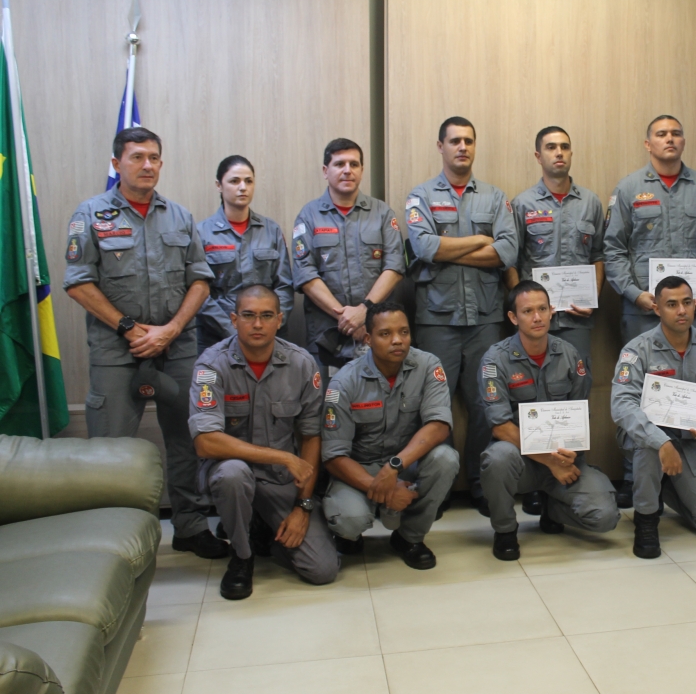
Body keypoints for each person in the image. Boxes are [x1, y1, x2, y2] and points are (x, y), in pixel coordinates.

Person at [64, 127, 225, 559]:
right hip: (118, 351)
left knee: (188, 440)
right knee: (111, 449)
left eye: (154, 157)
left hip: (177, 347)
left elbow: (201, 279)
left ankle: (190, 526)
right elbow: (78, 283)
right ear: (117, 164)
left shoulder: (179, 216)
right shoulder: (92, 215)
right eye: (137, 157)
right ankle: (109, 538)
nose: (148, 165)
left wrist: (171, 330)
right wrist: (131, 330)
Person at [603, 115, 696, 507]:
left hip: (693, 313)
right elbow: (613, 250)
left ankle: (686, 471)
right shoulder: (628, 189)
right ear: (648, 144)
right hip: (641, 310)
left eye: (676, 133)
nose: (670, 139)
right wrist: (633, 293)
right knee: (639, 393)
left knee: (692, 390)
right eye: (661, 134)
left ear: (684, 140)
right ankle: (635, 474)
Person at [189, 285, 338, 599]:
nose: (257, 324)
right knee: (233, 474)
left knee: (323, 570)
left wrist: (302, 507)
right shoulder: (211, 366)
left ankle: (261, 526)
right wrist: (282, 457)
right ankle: (242, 558)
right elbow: (205, 443)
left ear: (280, 320)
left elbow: (312, 437)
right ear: (233, 319)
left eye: (266, 316)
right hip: (230, 473)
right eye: (249, 315)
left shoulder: (302, 364)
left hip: (278, 482)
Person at [405, 117, 518, 514]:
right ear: (440, 146)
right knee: (434, 408)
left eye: (469, 140)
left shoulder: (494, 196)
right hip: (437, 320)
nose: (462, 147)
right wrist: (478, 242)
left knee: (486, 404)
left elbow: (507, 251)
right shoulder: (420, 195)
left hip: (486, 319)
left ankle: (482, 484)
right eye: (454, 141)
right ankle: (438, 488)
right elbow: (423, 247)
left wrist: (448, 247)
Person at [479, 281, 618, 561]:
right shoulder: (495, 360)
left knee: (606, 518)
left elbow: (581, 413)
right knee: (497, 459)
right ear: (513, 317)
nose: (537, 317)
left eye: (543, 309)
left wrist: (569, 456)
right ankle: (505, 531)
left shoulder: (568, 354)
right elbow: (500, 426)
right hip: (520, 459)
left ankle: (552, 507)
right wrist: (549, 461)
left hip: (563, 458)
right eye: (528, 311)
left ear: (552, 311)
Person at [320, 302, 459, 569]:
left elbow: (439, 424)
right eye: (386, 334)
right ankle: (349, 532)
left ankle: (409, 538)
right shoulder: (344, 382)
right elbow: (334, 456)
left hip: (405, 463)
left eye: (404, 332)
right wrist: (382, 488)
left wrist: (394, 468)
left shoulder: (428, 365)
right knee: (349, 521)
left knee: (446, 458)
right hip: (360, 467)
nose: (397, 340)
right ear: (369, 339)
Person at [610, 276, 696, 559]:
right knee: (649, 448)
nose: (681, 311)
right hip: (645, 439)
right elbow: (622, 404)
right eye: (672, 304)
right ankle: (646, 520)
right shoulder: (636, 350)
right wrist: (662, 442)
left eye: (687, 302)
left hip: (690, 442)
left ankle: (665, 487)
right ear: (657, 309)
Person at [292, 138, 404, 384]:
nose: (347, 170)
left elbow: (395, 267)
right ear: (325, 171)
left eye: (354, 164)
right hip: (326, 335)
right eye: (339, 163)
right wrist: (346, 317)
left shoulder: (382, 213)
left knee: (377, 406)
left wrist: (363, 312)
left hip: (375, 332)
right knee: (326, 407)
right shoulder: (308, 216)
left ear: (362, 170)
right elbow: (305, 274)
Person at [506, 127, 605, 365]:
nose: (559, 153)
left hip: (575, 317)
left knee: (577, 382)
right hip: (534, 318)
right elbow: (510, 260)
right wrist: (522, 306)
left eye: (565, 147)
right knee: (533, 383)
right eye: (551, 147)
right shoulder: (523, 203)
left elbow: (598, 255)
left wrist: (592, 297)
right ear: (538, 156)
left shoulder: (590, 202)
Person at [196, 156, 293, 354]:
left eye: (248, 181)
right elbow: (200, 294)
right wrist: (232, 329)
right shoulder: (202, 233)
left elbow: (284, 285)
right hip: (218, 338)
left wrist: (269, 324)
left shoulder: (271, 230)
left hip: (268, 338)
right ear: (219, 185)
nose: (243, 187)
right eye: (234, 181)